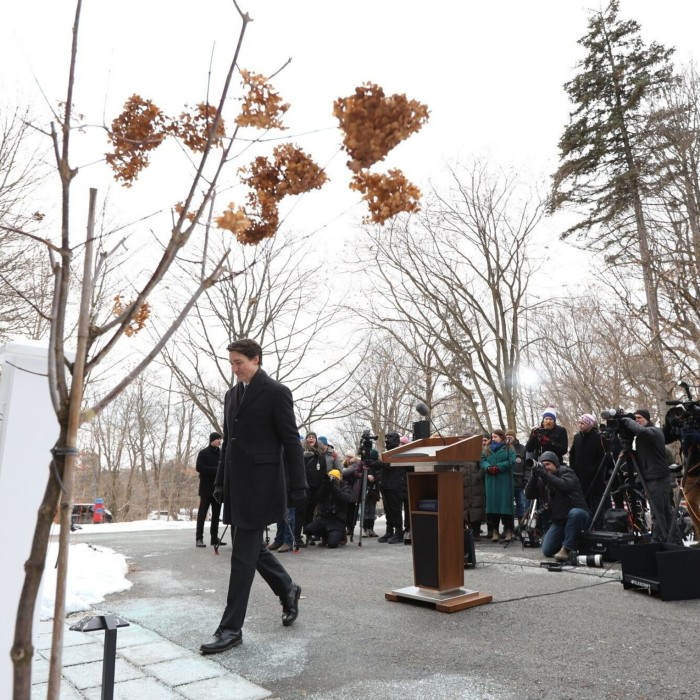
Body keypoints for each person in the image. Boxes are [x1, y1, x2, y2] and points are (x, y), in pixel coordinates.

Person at [200, 338, 307, 655]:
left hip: (262, 485)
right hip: (236, 485)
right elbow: (229, 443)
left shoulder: (276, 393)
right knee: (252, 551)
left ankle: (230, 629)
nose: (234, 369)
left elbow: (291, 441)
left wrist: (298, 485)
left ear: (256, 359)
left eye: (239, 362)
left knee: (243, 557)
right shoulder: (232, 395)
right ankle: (288, 588)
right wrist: (220, 481)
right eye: (231, 362)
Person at [620, 409, 683, 544]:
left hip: (657, 478)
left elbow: (642, 431)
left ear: (647, 419)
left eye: (639, 418)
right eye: (635, 418)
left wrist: (627, 420)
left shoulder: (654, 431)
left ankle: (658, 541)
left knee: (658, 513)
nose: (636, 421)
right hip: (653, 476)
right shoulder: (643, 437)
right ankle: (675, 541)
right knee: (666, 512)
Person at [525, 450, 591, 561]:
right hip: (560, 521)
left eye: (548, 464)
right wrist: (534, 475)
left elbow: (564, 485)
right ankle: (570, 541)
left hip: (578, 516)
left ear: (556, 464)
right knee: (547, 550)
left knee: (575, 513)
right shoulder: (542, 478)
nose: (545, 467)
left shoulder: (567, 472)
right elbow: (529, 495)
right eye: (543, 465)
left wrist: (543, 474)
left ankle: (567, 548)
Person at [568, 414, 610, 525]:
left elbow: (603, 457)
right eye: (579, 423)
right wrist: (573, 468)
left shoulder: (598, 437)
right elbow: (572, 453)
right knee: (583, 502)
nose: (580, 425)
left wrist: (594, 469)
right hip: (579, 476)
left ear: (589, 424)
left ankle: (597, 525)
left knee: (595, 503)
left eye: (583, 423)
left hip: (594, 478)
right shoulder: (577, 437)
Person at [480, 429, 516, 542]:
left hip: (504, 480)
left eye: (495, 437)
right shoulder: (487, 449)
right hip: (491, 480)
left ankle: (509, 530)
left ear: (501, 437)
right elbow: (482, 461)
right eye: (492, 437)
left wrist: (499, 467)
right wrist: (488, 467)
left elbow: (512, 461)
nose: (493, 439)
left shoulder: (509, 448)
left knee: (506, 506)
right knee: (492, 506)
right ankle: (495, 530)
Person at [303, 468, 354, 547]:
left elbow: (345, 498)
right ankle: (326, 536)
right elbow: (318, 498)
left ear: (338, 479)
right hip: (325, 519)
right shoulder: (326, 487)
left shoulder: (345, 487)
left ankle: (341, 535)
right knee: (308, 529)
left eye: (333, 478)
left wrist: (334, 487)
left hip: (338, 521)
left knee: (332, 544)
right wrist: (325, 485)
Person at [195, 432, 225, 548]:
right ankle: (199, 538)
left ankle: (214, 538)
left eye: (220, 439)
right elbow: (199, 467)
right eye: (217, 439)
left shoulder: (221, 453)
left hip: (217, 489)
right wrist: (216, 470)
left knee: (216, 515)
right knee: (202, 515)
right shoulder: (203, 453)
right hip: (206, 489)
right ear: (212, 440)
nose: (219, 441)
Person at [378, 431, 406, 543]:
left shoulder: (399, 452)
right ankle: (389, 531)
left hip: (395, 485)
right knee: (388, 510)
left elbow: (390, 466)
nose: (387, 441)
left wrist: (380, 464)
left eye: (389, 438)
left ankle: (398, 532)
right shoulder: (387, 452)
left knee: (395, 509)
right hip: (386, 484)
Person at [505, 429, 528, 522]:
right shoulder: (504, 448)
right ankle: (509, 527)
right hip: (506, 481)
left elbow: (527, 466)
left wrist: (526, 478)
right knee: (507, 504)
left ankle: (521, 525)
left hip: (519, 481)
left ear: (514, 436)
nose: (508, 437)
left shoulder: (522, 448)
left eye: (510, 435)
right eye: (507, 435)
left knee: (521, 503)